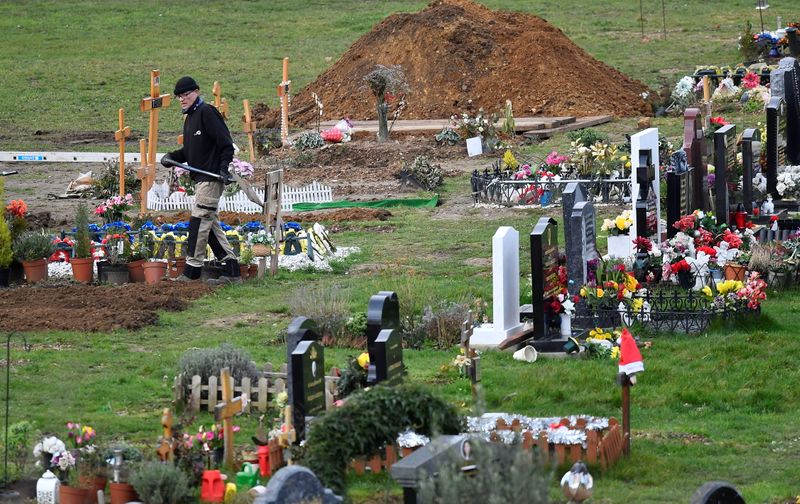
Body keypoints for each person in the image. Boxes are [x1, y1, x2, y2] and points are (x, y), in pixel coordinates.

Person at [161, 76, 241, 284]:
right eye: (179, 96)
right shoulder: (190, 118)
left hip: (212, 178)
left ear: (197, 91)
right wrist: (172, 157)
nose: (182, 99)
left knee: (198, 220)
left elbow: (226, 144)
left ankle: (192, 270)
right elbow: (189, 152)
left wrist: (223, 168)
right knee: (210, 224)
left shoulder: (207, 112)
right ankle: (232, 269)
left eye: (186, 94)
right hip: (201, 179)